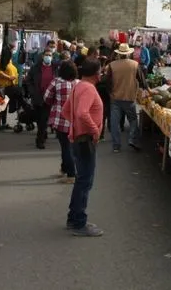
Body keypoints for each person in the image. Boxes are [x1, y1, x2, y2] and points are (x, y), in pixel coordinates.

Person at [61, 59, 104, 237]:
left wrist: (76, 127)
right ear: (96, 73)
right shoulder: (88, 88)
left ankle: (74, 218)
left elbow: (66, 111)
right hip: (85, 140)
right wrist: (94, 130)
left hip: (79, 137)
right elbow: (80, 112)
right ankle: (79, 222)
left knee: (82, 180)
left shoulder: (78, 86)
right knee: (85, 181)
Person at [106, 43, 148, 153]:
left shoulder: (112, 65)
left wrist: (110, 93)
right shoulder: (134, 64)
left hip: (115, 98)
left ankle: (116, 146)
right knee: (133, 119)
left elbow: (107, 82)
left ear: (119, 54)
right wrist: (147, 89)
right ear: (128, 54)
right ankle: (132, 139)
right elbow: (142, 80)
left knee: (114, 122)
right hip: (129, 97)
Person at [44, 60, 78, 183]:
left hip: (61, 119)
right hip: (76, 121)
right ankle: (64, 168)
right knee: (70, 146)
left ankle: (71, 174)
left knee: (66, 147)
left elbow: (47, 98)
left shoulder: (56, 82)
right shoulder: (78, 84)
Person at [26, 48, 58, 149]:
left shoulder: (55, 68)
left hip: (50, 98)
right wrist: (32, 91)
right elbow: (28, 80)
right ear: (43, 56)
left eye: (50, 55)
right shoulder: (36, 68)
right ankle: (42, 134)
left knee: (44, 118)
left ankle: (40, 140)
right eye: (46, 55)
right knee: (40, 119)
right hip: (38, 97)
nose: (48, 57)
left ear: (52, 57)